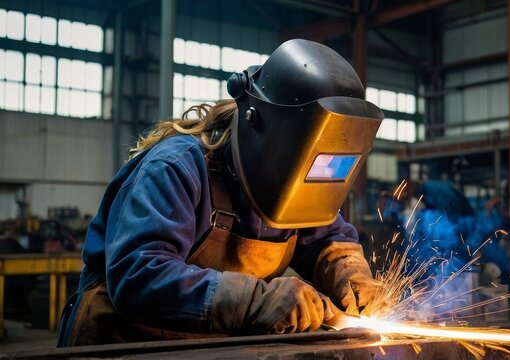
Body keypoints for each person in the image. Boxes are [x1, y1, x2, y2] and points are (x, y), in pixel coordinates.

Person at [57, 39, 384, 346]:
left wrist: (350, 275)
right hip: (120, 344)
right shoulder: (176, 168)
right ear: (260, 128)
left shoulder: (298, 183)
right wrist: (255, 301)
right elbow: (138, 276)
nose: (320, 172)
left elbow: (328, 238)